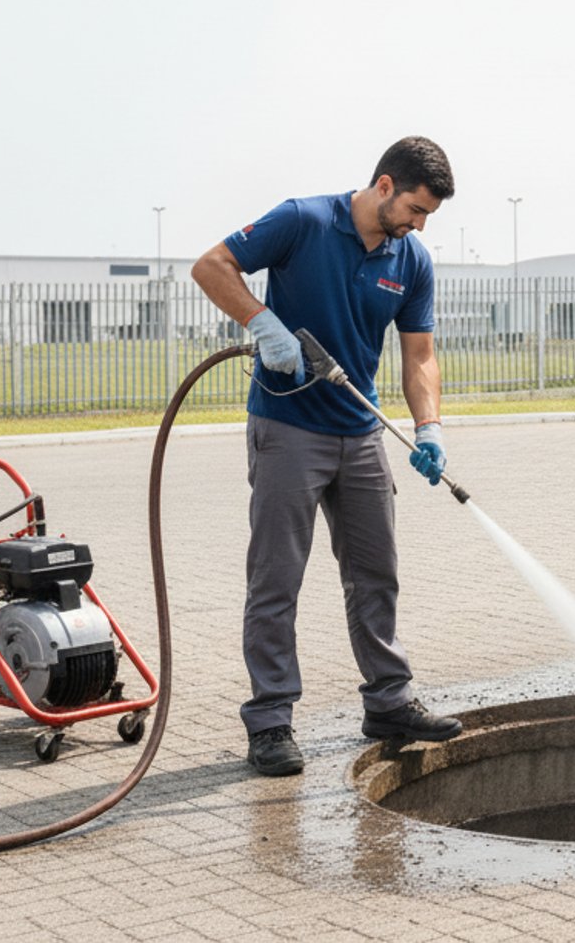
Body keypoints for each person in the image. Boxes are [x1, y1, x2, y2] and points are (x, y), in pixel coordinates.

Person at [191, 136, 463, 777]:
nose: (420, 226)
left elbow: (419, 353)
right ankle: (270, 721)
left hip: (361, 432)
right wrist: (262, 322)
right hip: (288, 429)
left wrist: (430, 428)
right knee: (276, 579)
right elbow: (212, 266)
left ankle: (389, 702)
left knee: (375, 572)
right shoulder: (303, 220)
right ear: (386, 185)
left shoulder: (411, 258)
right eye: (416, 210)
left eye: (428, 217)